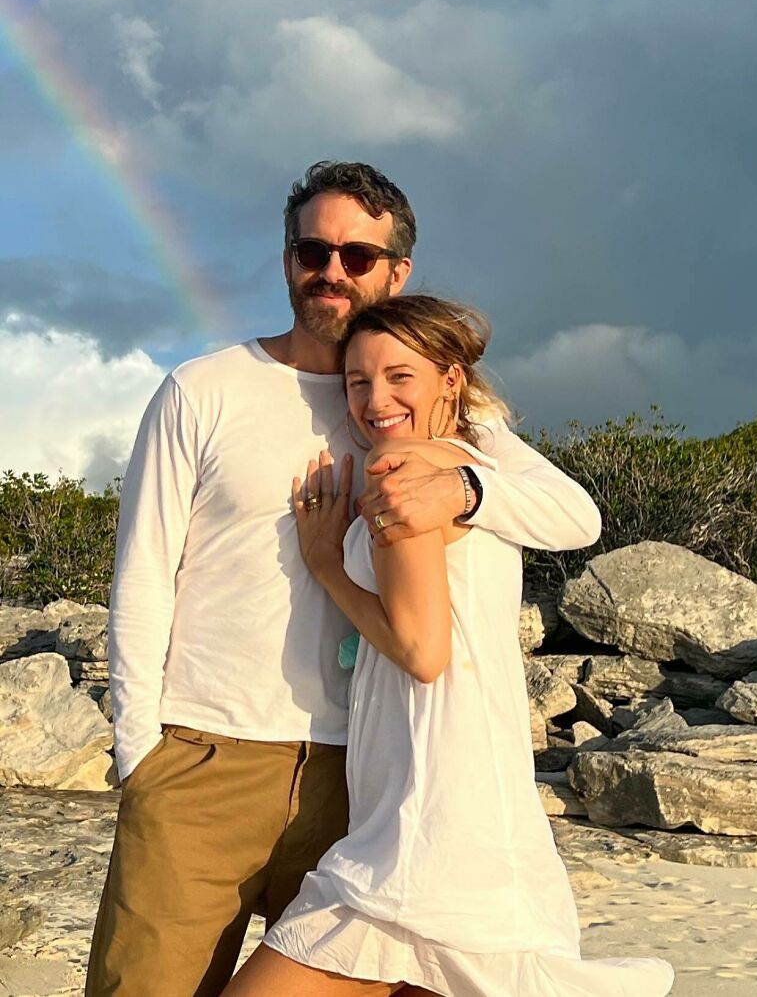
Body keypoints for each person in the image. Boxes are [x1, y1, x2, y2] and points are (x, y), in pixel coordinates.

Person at [86, 162, 605, 997]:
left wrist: (465, 489)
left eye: (357, 256)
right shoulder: (203, 390)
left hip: (359, 780)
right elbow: (142, 575)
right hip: (204, 760)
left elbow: (574, 515)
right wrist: (140, 753)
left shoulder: (437, 411)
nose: (332, 271)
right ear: (288, 260)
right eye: (312, 251)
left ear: (397, 271)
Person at [221, 294, 675, 997]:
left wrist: (326, 566)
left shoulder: (403, 468)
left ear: (451, 380)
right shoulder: (473, 463)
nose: (376, 400)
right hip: (459, 792)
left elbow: (421, 650)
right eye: (358, 381)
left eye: (400, 377)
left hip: (428, 813)